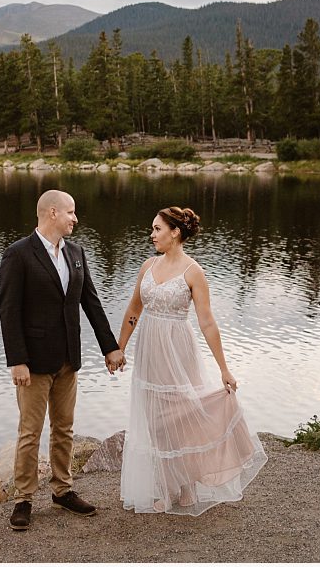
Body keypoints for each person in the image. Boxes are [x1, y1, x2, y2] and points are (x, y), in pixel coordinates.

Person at [116, 206, 265, 515]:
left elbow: (207, 322)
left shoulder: (193, 271)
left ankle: (184, 486)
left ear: (175, 232)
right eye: (152, 228)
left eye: (157, 229)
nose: (152, 234)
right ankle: (170, 486)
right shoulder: (147, 265)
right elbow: (133, 310)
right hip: (149, 350)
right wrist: (119, 348)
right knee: (155, 419)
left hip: (177, 348)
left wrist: (224, 368)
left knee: (181, 415)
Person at [0, 189, 122, 530]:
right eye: (71, 212)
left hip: (69, 358)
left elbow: (91, 303)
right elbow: (8, 311)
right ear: (52, 213)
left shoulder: (77, 253)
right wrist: (17, 360)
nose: (75, 218)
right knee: (30, 432)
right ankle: (23, 499)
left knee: (64, 428)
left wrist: (110, 347)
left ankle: (62, 490)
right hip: (33, 363)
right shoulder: (18, 254)